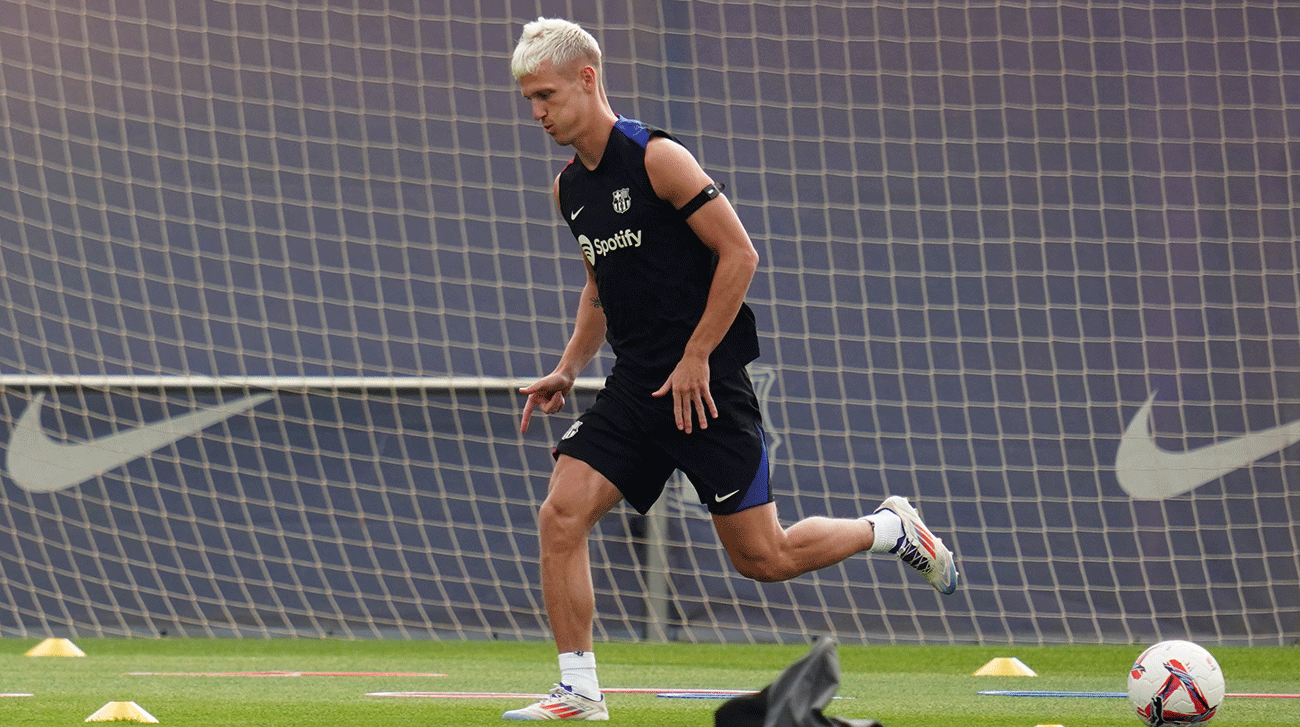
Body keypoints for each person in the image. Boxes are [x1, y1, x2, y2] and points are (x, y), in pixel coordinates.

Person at [506, 17, 959, 721]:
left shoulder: (659, 158)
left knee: (763, 557)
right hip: (636, 387)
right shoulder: (570, 190)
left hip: (708, 387)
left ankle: (890, 529)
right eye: (528, 99)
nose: (536, 113)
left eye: (545, 95)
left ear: (587, 80)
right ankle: (579, 692)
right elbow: (598, 287)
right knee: (560, 514)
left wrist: (695, 356)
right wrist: (568, 367)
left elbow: (740, 255)